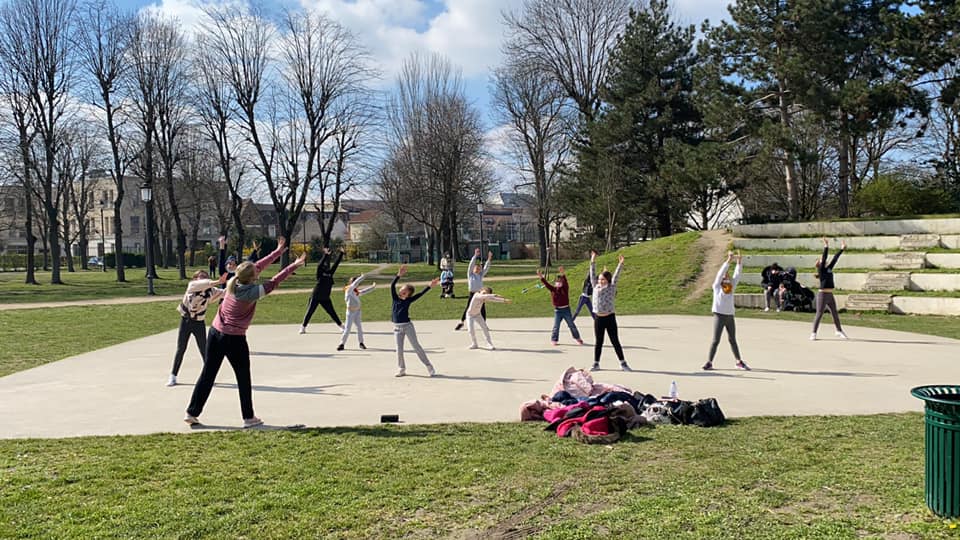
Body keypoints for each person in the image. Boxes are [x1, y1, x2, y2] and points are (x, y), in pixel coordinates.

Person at [184, 237, 306, 428]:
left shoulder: (233, 281)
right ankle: (248, 418)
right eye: (256, 272)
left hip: (215, 333)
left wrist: (278, 252)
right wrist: (295, 265)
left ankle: (191, 413)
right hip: (234, 339)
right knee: (243, 377)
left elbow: (258, 266)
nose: (258, 270)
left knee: (208, 373)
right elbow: (275, 280)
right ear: (253, 278)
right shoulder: (251, 292)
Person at [168, 270, 228, 386]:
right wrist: (218, 281)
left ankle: (209, 376)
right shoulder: (192, 286)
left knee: (204, 349)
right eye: (200, 276)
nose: (203, 278)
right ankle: (173, 376)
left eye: (205, 276)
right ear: (195, 278)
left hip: (199, 323)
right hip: (185, 321)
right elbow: (202, 284)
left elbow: (225, 292)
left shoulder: (211, 291)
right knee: (181, 348)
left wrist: (238, 283)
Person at [703, 251, 750, 371]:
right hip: (719, 315)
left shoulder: (731, 287)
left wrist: (739, 261)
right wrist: (729, 260)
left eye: (727, 276)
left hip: (730, 316)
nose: (726, 278)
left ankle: (738, 362)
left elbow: (737, 275)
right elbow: (720, 274)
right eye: (724, 277)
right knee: (716, 340)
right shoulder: (717, 286)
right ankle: (709, 362)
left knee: (732, 339)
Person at [391, 265, 440, 377]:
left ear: (408, 294)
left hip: (407, 326)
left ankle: (429, 366)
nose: (401, 292)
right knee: (399, 349)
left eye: (404, 292)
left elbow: (420, 294)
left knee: (416, 347)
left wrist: (429, 286)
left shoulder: (408, 300)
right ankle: (401, 368)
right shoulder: (395, 298)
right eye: (401, 290)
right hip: (397, 328)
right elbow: (392, 285)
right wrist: (398, 275)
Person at [589, 251, 631, 372]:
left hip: (609, 318)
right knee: (599, 341)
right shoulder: (595, 286)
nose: (600, 281)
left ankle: (623, 363)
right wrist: (592, 260)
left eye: (602, 279)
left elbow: (616, 276)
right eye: (599, 279)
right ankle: (596, 363)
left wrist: (620, 264)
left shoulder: (611, 288)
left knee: (615, 341)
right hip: (598, 318)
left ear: (607, 280)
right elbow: (592, 273)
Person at [299, 247, 344, 334]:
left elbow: (336, 264)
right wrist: (325, 255)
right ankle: (303, 327)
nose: (326, 266)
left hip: (325, 297)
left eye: (326, 265)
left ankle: (341, 326)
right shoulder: (320, 273)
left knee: (332, 312)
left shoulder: (330, 273)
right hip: (316, 296)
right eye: (324, 265)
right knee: (310, 312)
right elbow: (319, 265)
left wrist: (341, 253)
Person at [810, 237, 848, 341]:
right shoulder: (821, 269)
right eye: (821, 260)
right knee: (819, 314)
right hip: (822, 295)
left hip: (830, 295)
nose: (823, 260)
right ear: (819, 264)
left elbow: (835, 258)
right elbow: (824, 256)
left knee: (834, 313)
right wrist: (826, 246)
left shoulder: (829, 268)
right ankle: (813, 333)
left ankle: (839, 331)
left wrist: (842, 249)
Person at [537, 266, 583, 346]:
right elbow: (546, 284)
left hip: (566, 310)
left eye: (560, 282)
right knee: (556, 326)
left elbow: (565, 281)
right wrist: (541, 276)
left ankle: (577, 338)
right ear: (555, 283)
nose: (558, 283)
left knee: (571, 325)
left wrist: (562, 273)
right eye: (557, 282)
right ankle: (554, 339)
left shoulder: (565, 288)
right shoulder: (553, 289)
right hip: (557, 311)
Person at [455, 248, 492, 330]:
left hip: (480, 294)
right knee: (468, 308)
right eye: (476, 268)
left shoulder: (480, 275)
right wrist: (475, 256)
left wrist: (489, 259)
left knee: (482, 309)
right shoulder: (470, 275)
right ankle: (461, 322)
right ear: (473, 269)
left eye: (479, 268)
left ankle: (484, 324)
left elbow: (486, 268)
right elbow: (471, 265)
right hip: (472, 294)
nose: (478, 269)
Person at [337, 274, 376, 351]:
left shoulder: (355, 291)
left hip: (357, 311)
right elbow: (355, 283)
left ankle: (361, 343)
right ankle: (342, 344)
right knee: (347, 329)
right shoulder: (349, 290)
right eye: (353, 282)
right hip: (350, 312)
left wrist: (372, 287)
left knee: (359, 327)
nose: (356, 284)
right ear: (351, 283)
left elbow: (363, 291)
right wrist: (362, 277)